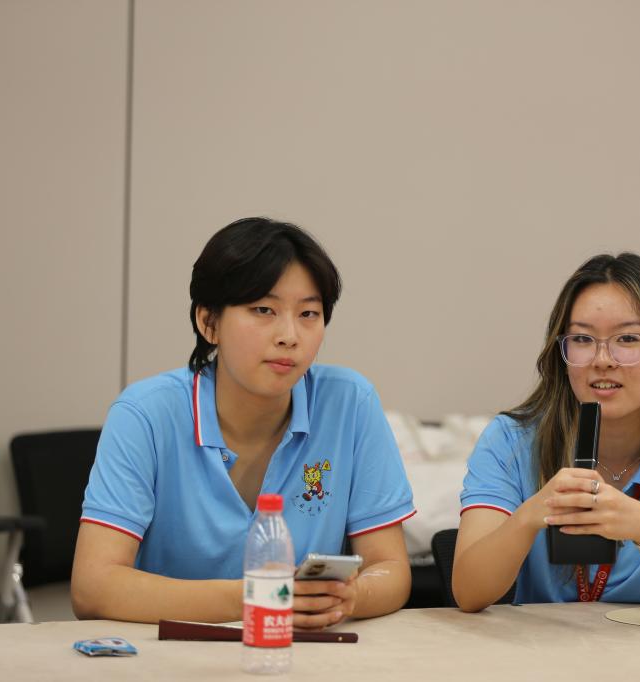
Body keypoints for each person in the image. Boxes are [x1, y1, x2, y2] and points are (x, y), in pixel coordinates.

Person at [72, 217, 415, 627]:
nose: (289, 335)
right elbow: (93, 586)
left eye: (309, 313)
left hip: (303, 653)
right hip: (171, 654)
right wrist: (261, 597)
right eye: (263, 310)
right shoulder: (145, 414)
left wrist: (350, 597)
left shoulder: (350, 403)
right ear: (208, 322)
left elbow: (390, 568)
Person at [453, 253, 640, 618]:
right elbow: (468, 593)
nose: (602, 360)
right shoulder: (510, 441)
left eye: (627, 338)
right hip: (542, 647)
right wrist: (530, 515)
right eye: (583, 339)